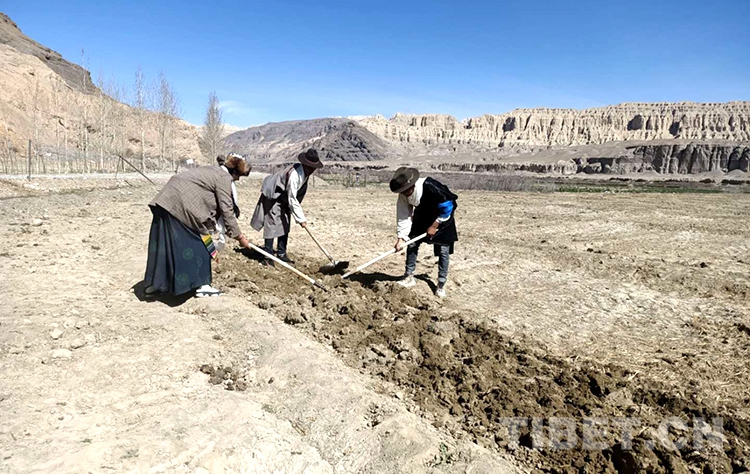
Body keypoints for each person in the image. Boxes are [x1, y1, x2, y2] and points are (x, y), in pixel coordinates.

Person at [143, 154, 252, 298]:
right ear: (234, 171)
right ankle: (203, 285)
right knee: (199, 244)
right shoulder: (224, 178)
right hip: (181, 205)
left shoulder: (213, 171)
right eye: (239, 176)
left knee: (165, 245)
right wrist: (240, 237)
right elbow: (227, 209)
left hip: (165, 201)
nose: (237, 179)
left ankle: (157, 284)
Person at [390, 167, 458, 298]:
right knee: (411, 243)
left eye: (406, 190)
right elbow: (404, 215)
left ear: (412, 185)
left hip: (443, 217)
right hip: (422, 216)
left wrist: (435, 225)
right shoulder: (403, 194)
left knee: (443, 250)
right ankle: (409, 276)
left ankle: (441, 284)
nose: (404, 194)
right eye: (401, 192)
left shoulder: (431, 186)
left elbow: (448, 206)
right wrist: (401, 237)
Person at [250, 148, 323, 266]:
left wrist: (295, 213)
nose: (312, 170)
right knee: (272, 224)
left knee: (285, 223)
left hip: (284, 197)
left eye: (314, 168)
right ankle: (267, 256)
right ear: (305, 164)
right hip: (273, 195)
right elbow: (292, 198)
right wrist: (301, 219)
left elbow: (297, 196)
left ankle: (282, 253)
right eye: (311, 167)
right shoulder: (295, 175)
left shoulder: (306, 173)